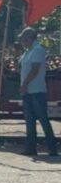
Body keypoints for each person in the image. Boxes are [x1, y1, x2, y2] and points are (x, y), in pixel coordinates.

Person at [18, 28, 57, 156]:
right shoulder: (27, 52)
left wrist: (25, 84)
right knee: (29, 121)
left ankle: (52, 148)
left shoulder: (37, 50)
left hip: (36, 91)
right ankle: (31, 148)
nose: (22, 42)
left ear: (30, 38)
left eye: (24, 39)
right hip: (28, 91)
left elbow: (35, 70)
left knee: (43, 119)